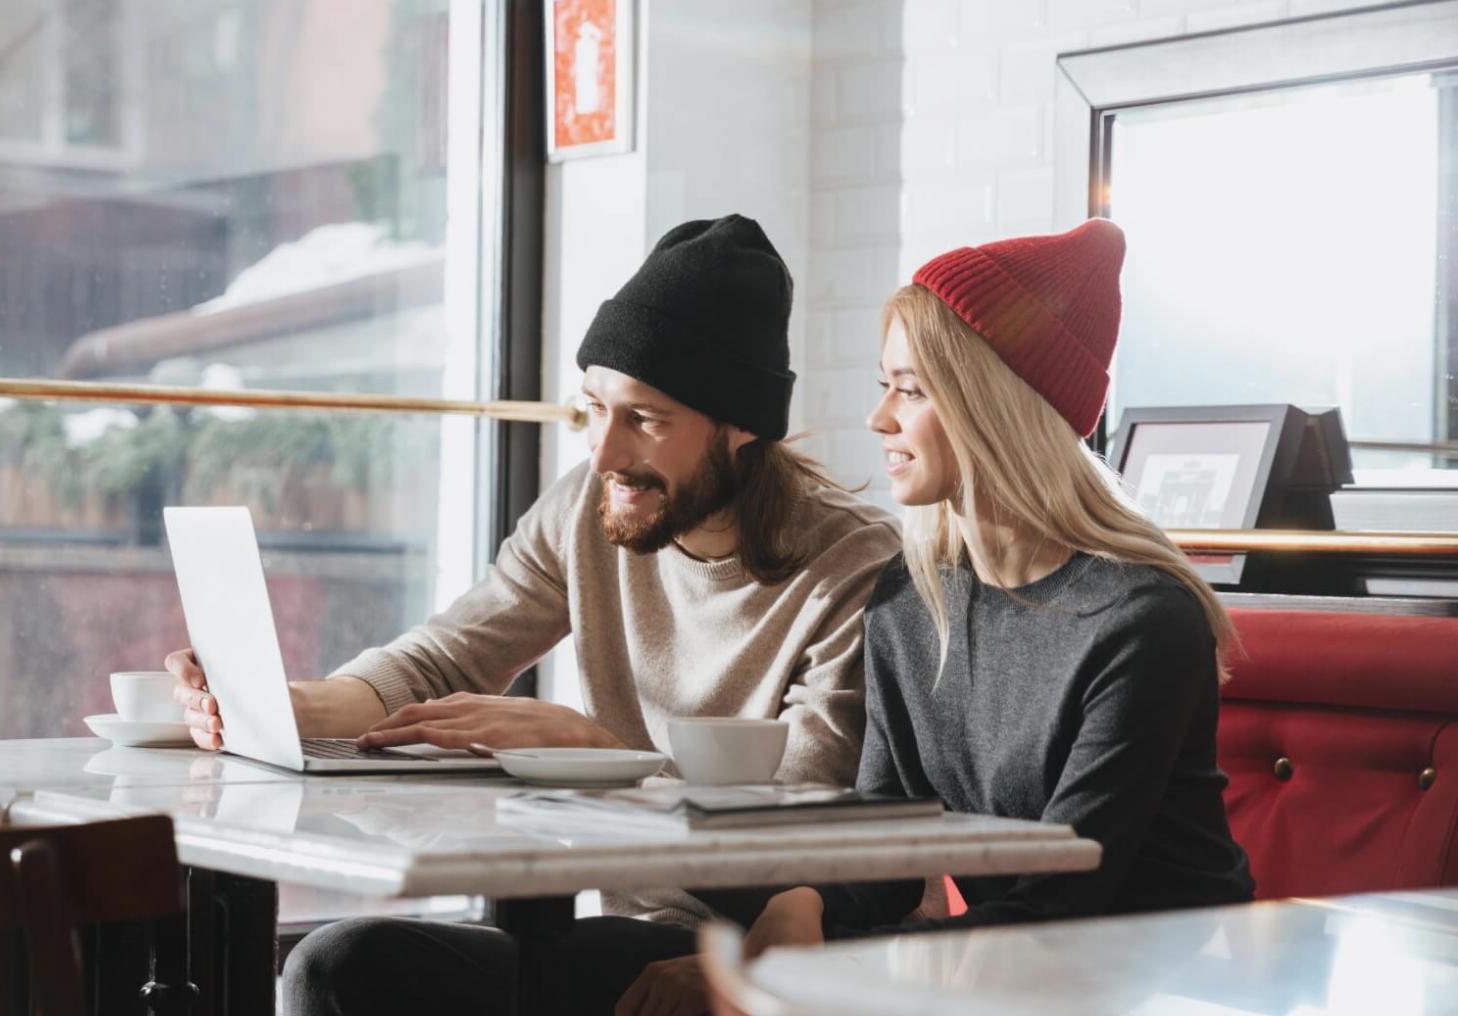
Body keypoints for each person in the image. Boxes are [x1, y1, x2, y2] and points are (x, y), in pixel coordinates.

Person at [165, 214, 902, 1014]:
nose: (605, 455)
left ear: (742, 426)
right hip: (617, 928)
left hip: (766, 942)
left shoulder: (851, 567)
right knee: (333, 965)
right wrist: (284, 708)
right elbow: (444, 660)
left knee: (477, 962)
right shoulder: (588, 511)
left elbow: (802, 842)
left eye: (645, 420)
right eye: (593, 409)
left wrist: (604, 757)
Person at [637, 219, 1256, 1013]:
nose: (879, 419)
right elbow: (890, 845)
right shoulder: (910, 598)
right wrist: (808, 904)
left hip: (1170, 985)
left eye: (911, 388)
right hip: (1014, 972)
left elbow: (1059, 904)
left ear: (995, 407)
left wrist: (798, 976)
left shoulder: (1139, 621)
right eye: (884, 383)